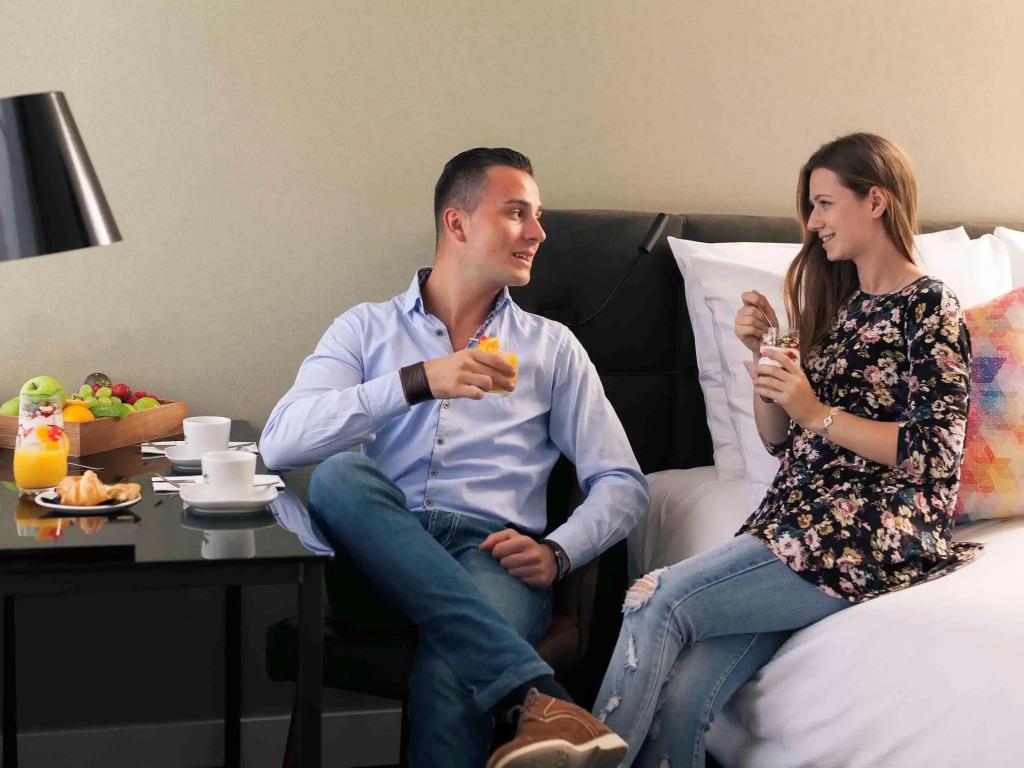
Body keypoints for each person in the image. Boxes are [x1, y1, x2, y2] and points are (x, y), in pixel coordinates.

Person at [585, 133, 982, 768]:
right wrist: (762, 360)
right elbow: (780, 441)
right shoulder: (843, 308)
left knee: (656, 600)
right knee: (685, 698)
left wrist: (815, 410)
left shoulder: (930, 305)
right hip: (796, 516)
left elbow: (934, 452)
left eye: (824, 204)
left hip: (870, 529)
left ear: (875, 200)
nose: (814, 223)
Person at [259, 147, 648, 768]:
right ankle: (542, 695)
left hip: (493, 558)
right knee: (339, 475)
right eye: (517, 213)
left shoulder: (553, 349)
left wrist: (558, 551)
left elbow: (622, 482)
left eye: (538, 216)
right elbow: (280, 442)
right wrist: (418, 381)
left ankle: (537, 699)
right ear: (457, 222)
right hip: (378, 561)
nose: (539, 233)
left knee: (452, 669)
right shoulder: (364, 329)